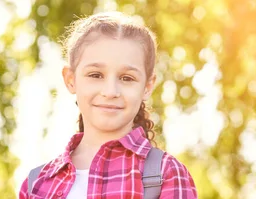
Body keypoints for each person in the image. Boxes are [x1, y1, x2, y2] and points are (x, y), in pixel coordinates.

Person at [18, 11, 197, 199]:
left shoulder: (166, 174)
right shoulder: (36, 185)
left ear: (147, 86)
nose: (110, 91)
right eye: (96, 75)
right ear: (70, 80)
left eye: (127, 78)